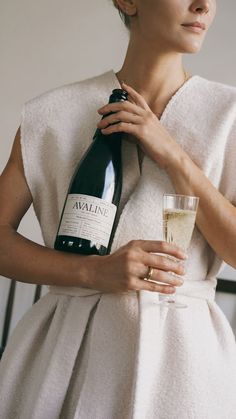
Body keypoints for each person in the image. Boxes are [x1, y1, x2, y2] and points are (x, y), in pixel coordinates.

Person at [0, 0, 236, 417]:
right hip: (62, 358)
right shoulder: (48, 115)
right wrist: (92, 272)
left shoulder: (229, 117)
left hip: (183, 370)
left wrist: (173, 154)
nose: (204, 5)